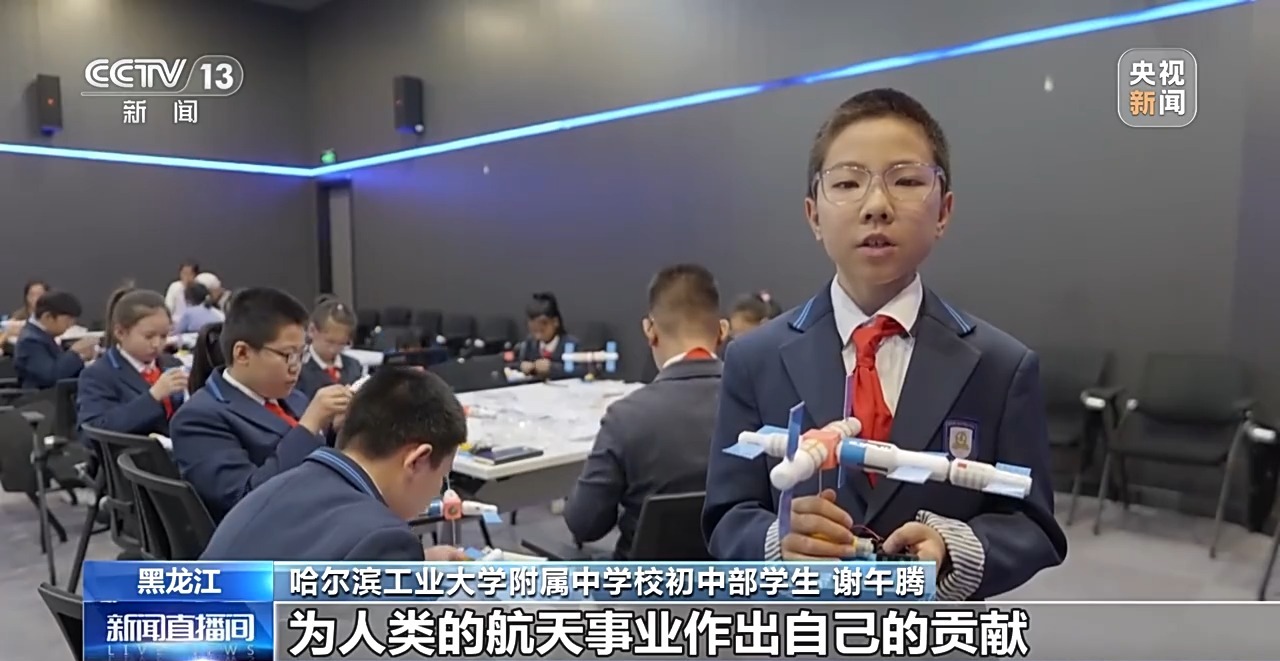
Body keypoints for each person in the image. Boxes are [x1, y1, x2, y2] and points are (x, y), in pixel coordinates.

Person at [701, 88, 1066, 600]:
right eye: (848, 183)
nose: (876, 206)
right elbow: (726, 514)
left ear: (943, 211)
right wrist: (778, 546)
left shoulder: (1002, 367)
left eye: (907, 181)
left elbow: (1032, 523)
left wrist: (953, 549)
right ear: (813, 215)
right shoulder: (753, 359)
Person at [201, 367, 471, 561]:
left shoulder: (278, 486)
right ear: (417, 460)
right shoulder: (385, 538)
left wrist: (413, 568)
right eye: (442, 477)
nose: (438, 489)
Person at [564, 264, 727, 559]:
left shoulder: (626, 417)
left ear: (650, 330)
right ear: (723, 331)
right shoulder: (762, 402)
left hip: (644, 584)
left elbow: (585, 524)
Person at [169, 287, 352, 522]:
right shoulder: (198, 418)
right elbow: (246, 500)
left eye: (301, 354)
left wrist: (336, 428)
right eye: (287, 355)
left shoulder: (293, 398)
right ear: (242, 353)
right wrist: (309, 426)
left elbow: (315, 453)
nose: (296, 366)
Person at [77, 288, 187, 447]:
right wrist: (153, 397)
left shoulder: (172, 364)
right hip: (134, 458)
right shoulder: (98, 375)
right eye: (149, 336)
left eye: (164, 336)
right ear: (120, 333)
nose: (157, 344)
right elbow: (93, 432)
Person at [14, 291, 97, 389]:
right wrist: (75, 353)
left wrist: (83, 359)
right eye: (67, 320)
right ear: (47, 317)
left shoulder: (41, 335)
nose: (70, 325)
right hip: (41, 396)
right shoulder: (30, 341)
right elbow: (50, 376)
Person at [298, 299, 362, 398]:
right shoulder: (299, 368)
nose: (333, 350)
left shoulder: (353, 366)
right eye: (330, 342)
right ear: (312, 330)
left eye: (342, 344)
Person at [512, 292, 579, 379]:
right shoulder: (530, 343)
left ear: (555, 322)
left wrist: (552, 368)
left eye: (543, 323)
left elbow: (578, 370)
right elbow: (514, 363)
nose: (537, 327)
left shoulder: (569, 345)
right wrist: (522, 366)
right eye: (532, 323)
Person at [3, 280, 48, 344]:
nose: (35, 298)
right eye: (32, 294)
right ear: (26, 296)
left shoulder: (53, 315)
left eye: (39, 294)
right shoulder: (18, 316)